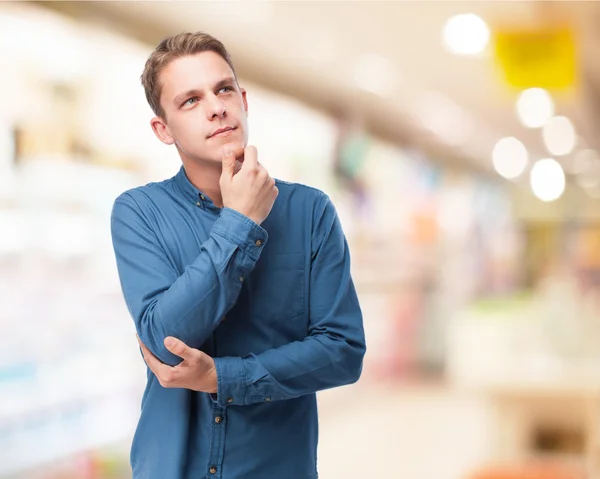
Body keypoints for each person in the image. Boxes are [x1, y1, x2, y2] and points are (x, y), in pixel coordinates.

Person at [110, 31, 366, 479]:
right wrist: (241, 223)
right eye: (190, 100)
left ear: (243, 99)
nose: (216, 106)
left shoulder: (309, 212)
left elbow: (343, 351)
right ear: (163, 129)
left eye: (223, 88)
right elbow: (163, 341)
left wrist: (221, 378)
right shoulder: (138, 212)